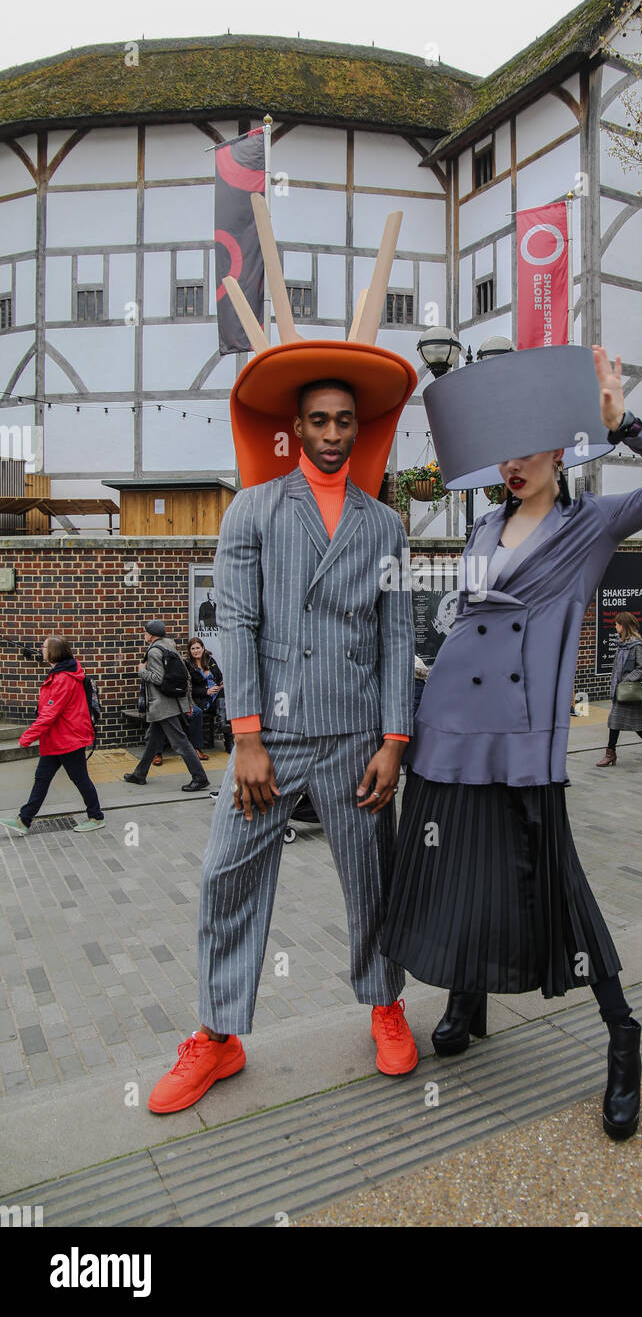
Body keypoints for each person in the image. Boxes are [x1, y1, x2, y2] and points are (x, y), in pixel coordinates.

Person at [380, 345, 642, 1142]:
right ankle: (467, 997)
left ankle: (622, 1035)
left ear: (561, 449)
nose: (513, 462)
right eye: (504, 449)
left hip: (523, 733)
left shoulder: (590, 523)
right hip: (448, 722)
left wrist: (619, 423)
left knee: (554, 878)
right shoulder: (483, 524)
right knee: (450, 863)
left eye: (529, 447)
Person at [147, 348, 418, 1112]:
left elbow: (398, 638)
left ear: (358, 431)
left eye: (345, 422)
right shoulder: (253, 509)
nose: (333, 433)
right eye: (320, 420)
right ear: (297, 427)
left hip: (357, 737)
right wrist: (246, 737)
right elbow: (234, 620)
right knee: (226, 876)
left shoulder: (385, 526)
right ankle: (218, 1036)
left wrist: (395, 741)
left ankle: (385, 1004)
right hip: (269, 737)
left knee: (371, 883)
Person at [0, 635, 105, 835]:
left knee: (80, 779)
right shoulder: (61, 673)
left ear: (54, 652)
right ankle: (23, 820)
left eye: (44, 646)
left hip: (68, 739)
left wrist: (27, 736)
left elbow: (50, 712)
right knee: (42, 779)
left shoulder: (64, 678)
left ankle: (96, 816)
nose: (41, 648)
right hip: (57, 739)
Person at [123, 621, 209, 792]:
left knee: (180, 743)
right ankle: (139, 774)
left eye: (145, 632)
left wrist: (141, 670)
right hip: (171, 701)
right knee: (153, 740)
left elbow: (158, 678)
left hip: (163, 705)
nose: (144, 635)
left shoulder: (154, 651)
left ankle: (200, 778)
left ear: (151, 634)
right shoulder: (170, 647)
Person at [596, 612, 642, 766]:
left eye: (617, 624)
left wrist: (625, 681)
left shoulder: (637, 645)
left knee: (615, 722)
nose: (615, 626)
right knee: (633, 724)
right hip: (621, 691)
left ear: (623, 626)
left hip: (628, 691)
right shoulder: (623, 644)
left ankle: (610, 753)